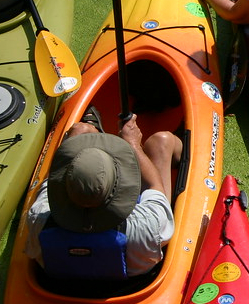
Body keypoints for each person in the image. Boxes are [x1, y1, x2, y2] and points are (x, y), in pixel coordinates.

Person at [23, 111, 182, 279]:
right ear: (119, 185)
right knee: (161, 142)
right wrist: (133, 144)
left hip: (64, 278)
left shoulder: (38, 217)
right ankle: (179, 149)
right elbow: (154, 185)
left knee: (80, 129)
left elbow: (55, 174)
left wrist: (76, 143)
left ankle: (93, 133)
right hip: (131, 276)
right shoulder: (145, 224)